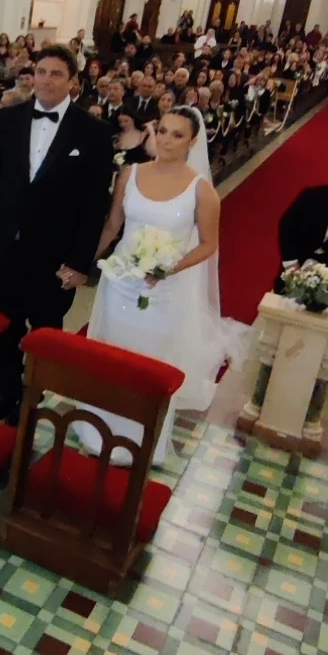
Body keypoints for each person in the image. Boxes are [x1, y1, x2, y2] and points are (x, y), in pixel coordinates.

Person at [0, 46, 113, 422]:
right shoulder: (8, 120)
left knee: (46, 330)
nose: (46, 80)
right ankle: (7, 393)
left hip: (56, 256)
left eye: (56, 74)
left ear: (73, 82)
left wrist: (80, 263)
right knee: (6, 324)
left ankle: (32, 396)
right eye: (42, 72)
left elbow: (94, 205)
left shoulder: (94, 132)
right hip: (8, 246)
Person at [90, 108, 227, 461]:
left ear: (192, 142)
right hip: (120, 282)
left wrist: (169, 269)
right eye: (162, 131)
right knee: (113, 355)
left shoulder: (201, 191)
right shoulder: (130, 173)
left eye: (177, 135)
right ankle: (97, 431)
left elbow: (208, 245)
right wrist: (84, 261)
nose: (166, 140)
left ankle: (139, 441)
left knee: (147, 362)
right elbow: (113, 225)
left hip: (164, 291)